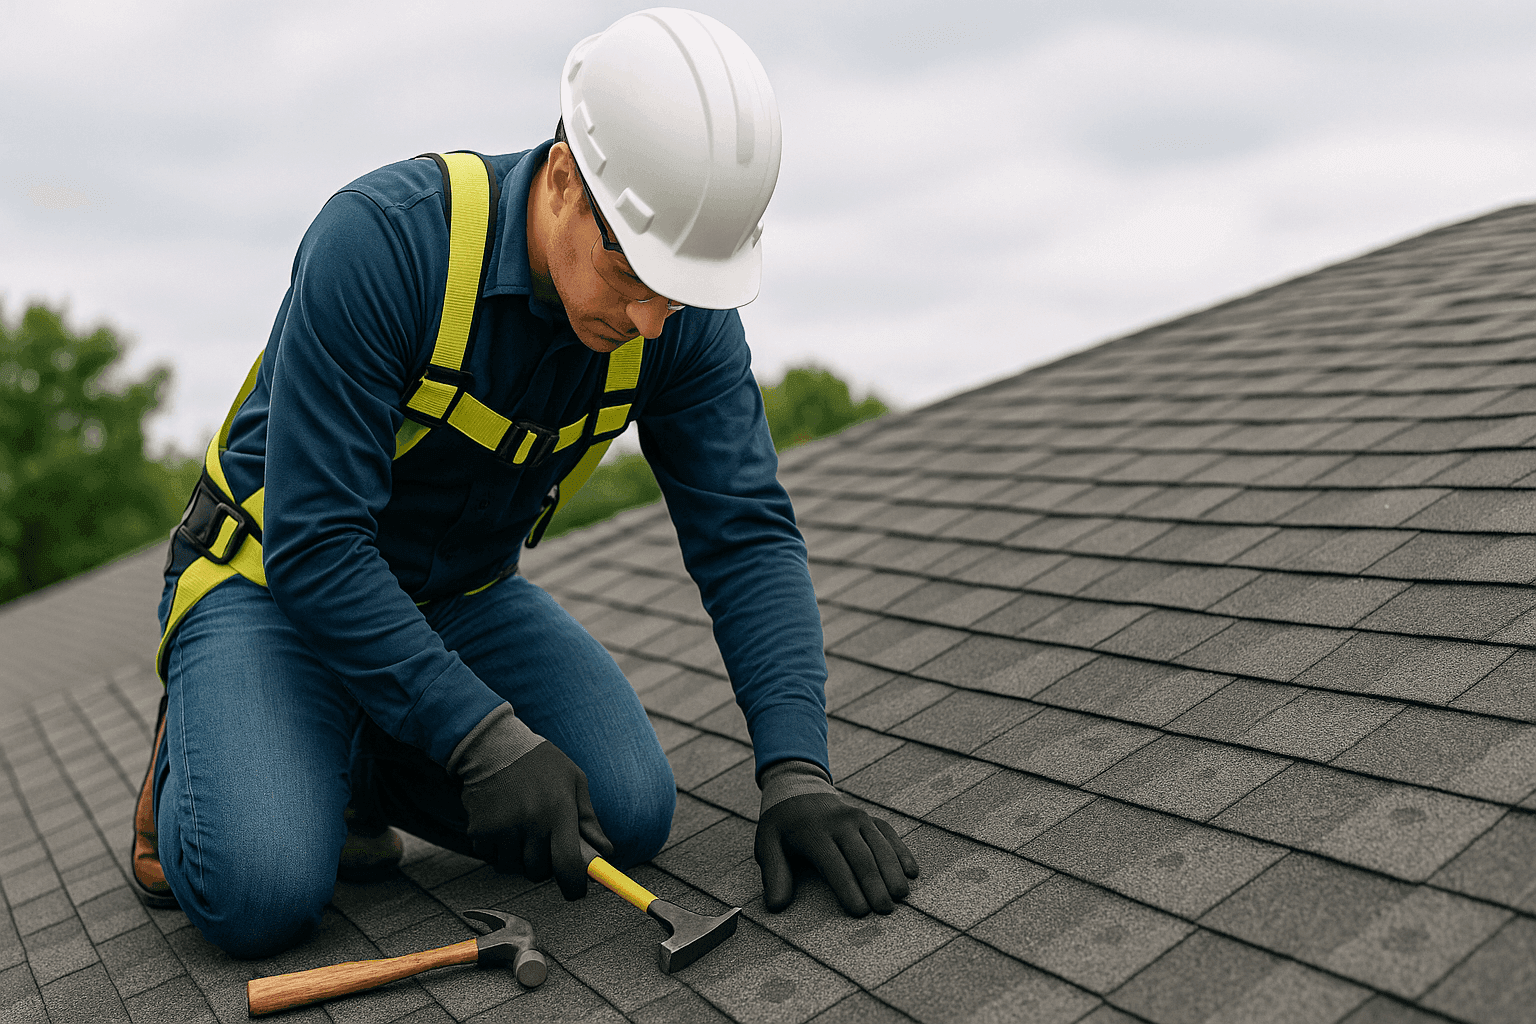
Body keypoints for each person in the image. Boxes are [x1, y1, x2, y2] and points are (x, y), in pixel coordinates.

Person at [130, 7, 918, 959]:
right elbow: (319, 545)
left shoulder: (674, 317)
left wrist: (798, 772)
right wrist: (481, 741)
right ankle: (211, 747)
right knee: (259, 888)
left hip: (456, 598)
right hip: (271, 580)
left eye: (680, 291)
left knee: (623, 810)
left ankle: (358, 755)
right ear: (559, 182)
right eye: (631, 271)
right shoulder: (385, 247)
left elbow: (745, 534)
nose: (651, 320)